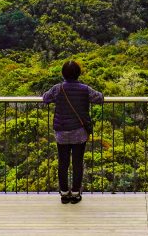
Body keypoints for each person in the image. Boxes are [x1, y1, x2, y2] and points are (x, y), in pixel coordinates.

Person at [41, 59, 103, 204]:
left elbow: (45, 98)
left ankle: (64, 193)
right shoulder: (85, 89)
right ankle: (75, 193)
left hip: (62, 132)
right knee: (77, 163)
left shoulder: (58, 88)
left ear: (63, 74)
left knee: (63, 163)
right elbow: (99, 98)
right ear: (78, 74)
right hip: (79, 132)